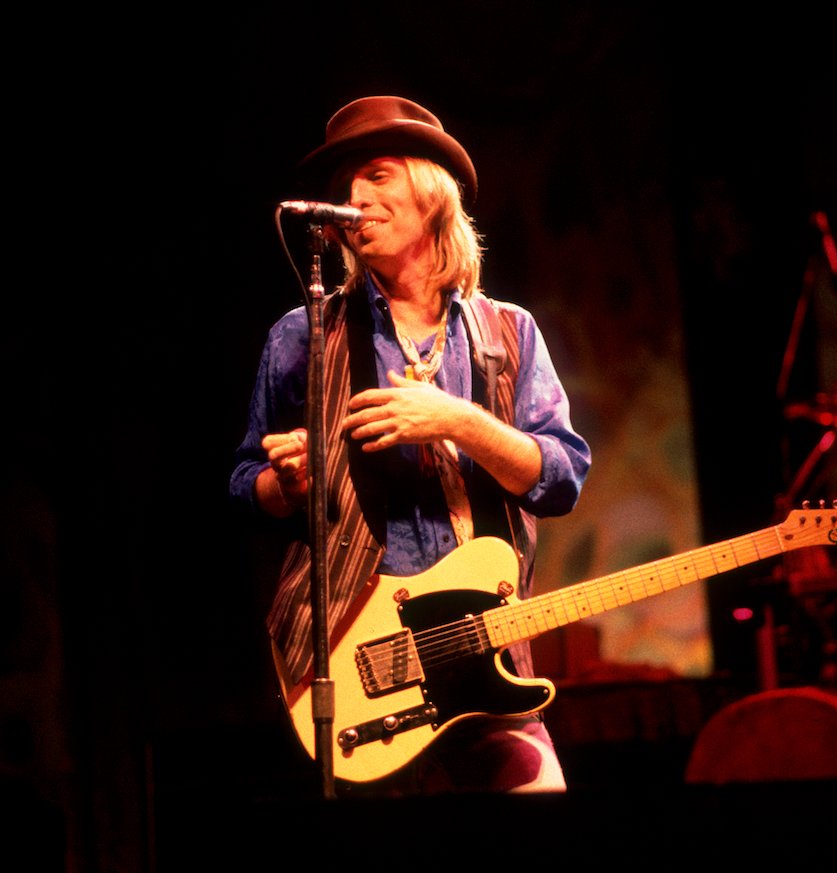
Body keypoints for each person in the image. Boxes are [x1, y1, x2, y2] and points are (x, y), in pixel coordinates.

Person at [229, 95, 591, 796]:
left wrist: (456, 419)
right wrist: (286, 485)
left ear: (431, 191)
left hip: (487, 662)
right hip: (362, 667)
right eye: (344, 189)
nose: (355, 198)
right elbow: (245, 486)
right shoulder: (302, 336)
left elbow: (561, 479)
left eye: (377, 176)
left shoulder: (509, 333)